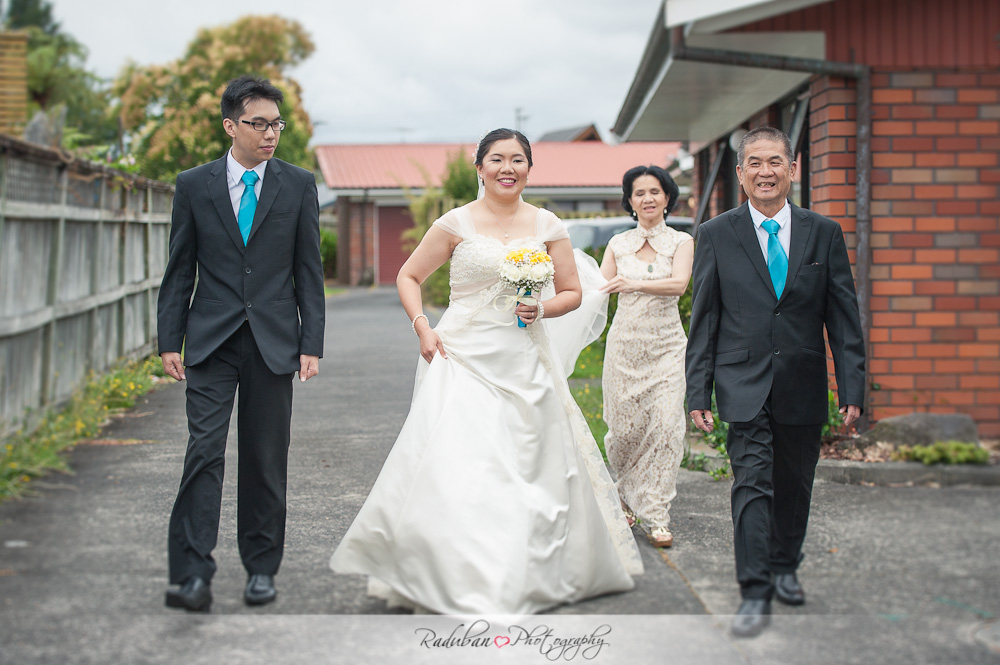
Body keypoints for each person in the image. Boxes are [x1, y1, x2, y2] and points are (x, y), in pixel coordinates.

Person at [329, 128, 642, 614]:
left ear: (529, 169)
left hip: (522, 358)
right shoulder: (456, 222)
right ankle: (452, 569)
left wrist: (544, 310)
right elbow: (408, 276)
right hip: (460, 356)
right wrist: (422, 327)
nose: (507, 168)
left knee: (529, 462)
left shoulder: (547, 225)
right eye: (496, 159)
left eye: (518, 159)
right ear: (480, 167)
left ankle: (524, 568)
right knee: (460, 460)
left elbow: (572, 292)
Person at [685, 126, 865, 637]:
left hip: (803, 382)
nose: (766, 171)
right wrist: (698, 389)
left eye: (775, 162)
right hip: (741, 381)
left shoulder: (823, 232)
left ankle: (786, 566)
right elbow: (705, 319)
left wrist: (852, 387)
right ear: (740, 174)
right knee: (751, 484)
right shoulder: (716, 233)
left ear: (793, 168)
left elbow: (844, 318)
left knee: (794, 485)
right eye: (755, 163)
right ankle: (755, 589)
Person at [157, 75, 325, 612]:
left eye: (277, 124)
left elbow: (309, 271)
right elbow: (179, 268)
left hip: (274, 342)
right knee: (203, 453)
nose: (270, 133)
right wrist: (169, 340)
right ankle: (190, 575)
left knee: (264, 458)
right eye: (258, 124)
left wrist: (310, 343)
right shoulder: (194, 185)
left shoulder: (297, 185)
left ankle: (260, 569)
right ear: (231, 126)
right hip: (210, 341)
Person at [600, 165, 693, 549]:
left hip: (667, 348)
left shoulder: (681, 241)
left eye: (655, 191)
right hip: (624, 349)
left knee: (666, 427)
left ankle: (656, 513)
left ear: (668, 197)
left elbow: (679, 285)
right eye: (639, 193)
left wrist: (635, 283)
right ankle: (624, 496)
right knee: (623, 432)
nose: (648, 199)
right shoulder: (617, 244)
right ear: (630, 201)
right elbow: (598, 288)